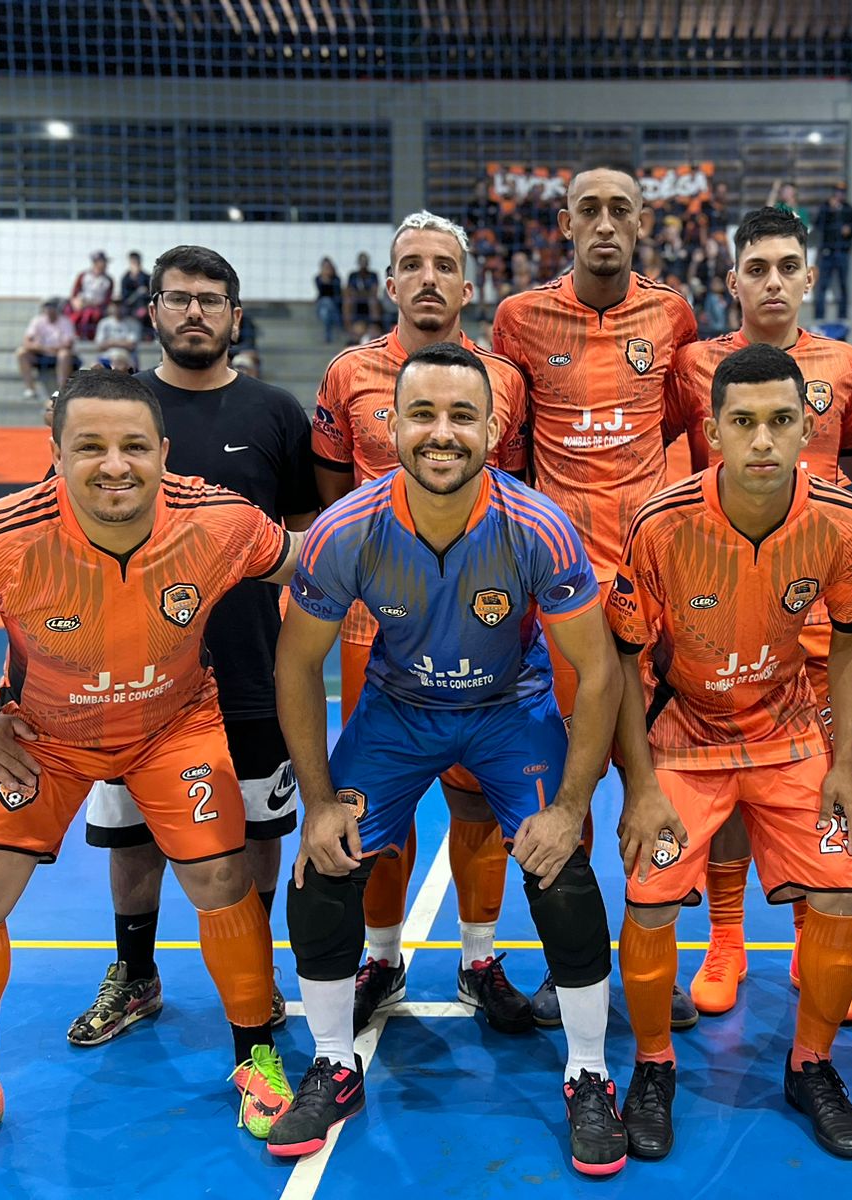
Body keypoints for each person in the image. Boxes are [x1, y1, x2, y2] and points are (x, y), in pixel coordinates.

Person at [0, 370, 303, 1185]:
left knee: (222, 872)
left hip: (174, 725)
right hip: (47, 737)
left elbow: (308, 567)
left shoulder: (218, 521)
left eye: (133, 446)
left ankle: (257, 1056)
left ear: (163, 452)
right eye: (90, 447)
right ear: (55, 452)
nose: (115, 465)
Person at [272, 341, 628, 1174]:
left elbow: (600, 667)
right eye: (423, 413)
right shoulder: (346, 529)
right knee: (326, 864)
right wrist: (319, 801)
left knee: (561, 869)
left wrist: (571, 805)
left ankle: (589, 1072)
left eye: (462, 415)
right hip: (399, 713)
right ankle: (332, 1061)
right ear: (390, 423)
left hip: (511, 709)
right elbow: (295, 663)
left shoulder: (537, 526)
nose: (442, 432)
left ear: (494, 428)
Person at [610, 343, 852, 1162]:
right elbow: (625, 659)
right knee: (650, 899)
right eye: (743, 422)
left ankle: (812, 1064)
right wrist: (639, 785)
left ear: (807, 428)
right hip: (683, 736)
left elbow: (851, 645)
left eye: (781, 421)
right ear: (713, 431)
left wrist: (839, 765)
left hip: (789, 733)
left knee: (843, 891)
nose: (763, 439)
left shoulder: (847, 522)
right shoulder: (660, 524)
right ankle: (653, 1066)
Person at [68, 245, 318, 1048]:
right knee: (133, 833)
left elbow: (309, 534)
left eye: (212, 300)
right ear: (153, 312)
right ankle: (136, 975)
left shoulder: (277, 412)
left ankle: (255, 971)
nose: (196, 313)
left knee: (254, 833)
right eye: (179, 299)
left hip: (249, 668)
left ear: (236, 318)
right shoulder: (118, 411)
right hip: (129, 674)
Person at [311, 212, 535, 1036]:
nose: (429, 277)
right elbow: (332, 499)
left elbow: (515, 497)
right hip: (377, 630)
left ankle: (478, 959)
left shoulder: (504, 378)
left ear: (469, 285)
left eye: (445, 263)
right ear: (392, 282)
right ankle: (381, 959)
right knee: (380, 809)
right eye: (413, 264)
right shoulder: (348, 374)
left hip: (480, 627)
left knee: (478, 806)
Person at [492, 163, 700, 1026]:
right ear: (565, 225)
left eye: (621, 208)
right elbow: (505, 441)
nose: (606, 223)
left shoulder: (673, 312)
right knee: (560, 791)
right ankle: (569, 964)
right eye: (590, 210)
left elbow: (685, 428)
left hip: (654, 596)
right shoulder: (519, 319)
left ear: (642, 222)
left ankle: (659, 965)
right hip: (561, 599)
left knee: (661, 787)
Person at [666, 207, 852, 1020]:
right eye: (757, 268)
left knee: (816, 782)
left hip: (822, 616)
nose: (774, 281)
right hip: (722, 612)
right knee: (724, 788)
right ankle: (725, 941)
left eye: (788, 266)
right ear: (732, 280)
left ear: (811, 277)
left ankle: (805, 942)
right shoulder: (690, 365)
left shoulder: (848, 366)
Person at [14, 297, 77, 400]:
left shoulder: (66, 322)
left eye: (52, 306)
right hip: (40, 353)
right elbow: (27, 342)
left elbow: (68, 344)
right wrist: (44, 349)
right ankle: (30, 389)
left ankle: (62, 390)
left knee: (64, 354)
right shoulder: (37, 321)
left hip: (58, 354)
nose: (49, 309)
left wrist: (51, 349)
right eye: (47, 306)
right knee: (21, 353)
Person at [812, 182, 852, 321]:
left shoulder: (849, 209)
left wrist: (849, 229)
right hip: (827, 251)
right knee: (822, 285)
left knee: (843, 285)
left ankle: (842, 315)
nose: (839, 194)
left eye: (842, 192)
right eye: (837, 191)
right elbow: (818, 224)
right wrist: (831, 211)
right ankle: (819, 315)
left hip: (842, 251)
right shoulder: (826, 207)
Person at [68, 251, 115, 341]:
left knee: (91, 315)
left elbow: (108, 299)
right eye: (102, 262)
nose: (105, 264)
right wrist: (75, 301)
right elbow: (75, 292)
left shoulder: (108, 280)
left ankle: (88, 336)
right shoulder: (83, 276)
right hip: (82, 304)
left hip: (97, 306)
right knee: (74, 316)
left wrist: (94, 304)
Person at [92, 300, 142, 369]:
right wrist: (122, 342)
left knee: (119, 363)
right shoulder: (103, 323)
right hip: (107, 356)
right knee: (95, 366)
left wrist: (111, 342)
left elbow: (131, 345)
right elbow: (100, 345)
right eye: (115, 305)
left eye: (120, 305)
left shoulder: (133, 323)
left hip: (126, 356)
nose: (118, 308)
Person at [344, 252, 381, 340]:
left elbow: (374, 290)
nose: (363, 263)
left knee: (373, 301)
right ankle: (348, 327)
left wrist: (361, 293)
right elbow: (349, 290)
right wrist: (361, 293)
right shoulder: (352, 275)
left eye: (365, 261)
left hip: (368, 300)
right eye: (361, 261)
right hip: (356, 301)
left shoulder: (373, 275)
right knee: (348, 301)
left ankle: (375, 324)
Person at [119, 251, 151, 328]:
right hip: (130, 307)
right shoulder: (125, 278)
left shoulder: (146, 277)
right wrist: (137, 293)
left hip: (144, 306)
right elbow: (125, 298)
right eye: (133, 262)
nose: (135, 264)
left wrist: (139, 277)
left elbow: (150, 295)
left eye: (137, 262)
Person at [315, 256, 344, 342]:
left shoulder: (336, 279)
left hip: (335, 303)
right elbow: (322, 291)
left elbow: (336, 292)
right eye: (325, 267)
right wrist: (325, 278)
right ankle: (338, 327)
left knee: (326, 312)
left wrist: (329, 278)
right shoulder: (318, 278)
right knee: (326, 305)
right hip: (322, 304)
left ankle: (328, 336)